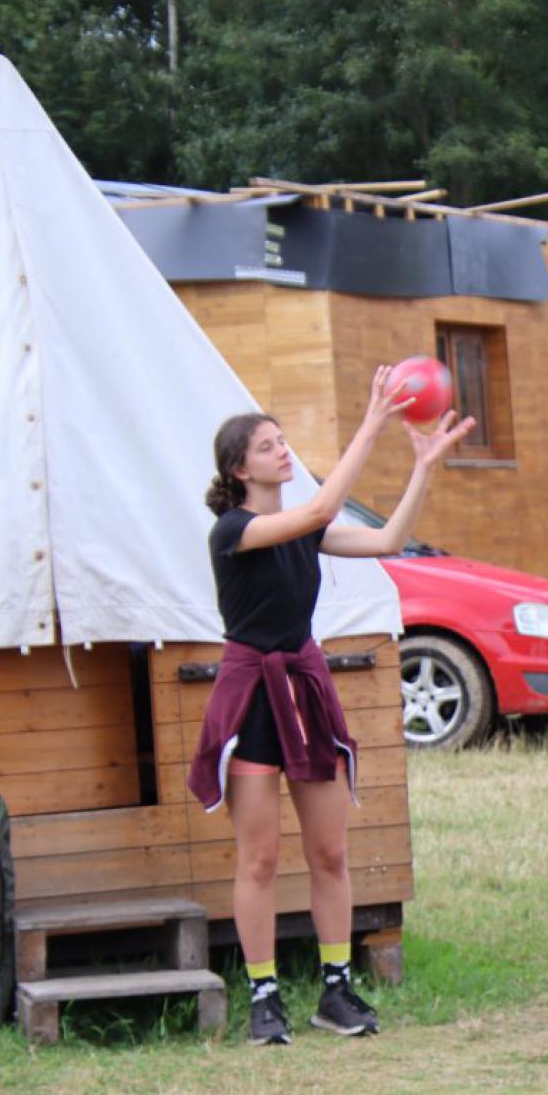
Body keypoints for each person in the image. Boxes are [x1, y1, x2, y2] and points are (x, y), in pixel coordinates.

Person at [189, 366, 474, 1046]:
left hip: (305, 690)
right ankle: (264, 996)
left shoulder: (303, 529)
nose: (282, 451)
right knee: (259, 859)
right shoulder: (232, 530)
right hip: (252, 697)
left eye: (282, 440)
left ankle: (336, 990)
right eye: (267, 446)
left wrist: (423, 468)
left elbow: (387, 541)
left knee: (330, 852)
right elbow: (318, 512)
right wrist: (373, 421)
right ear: (240, 469)